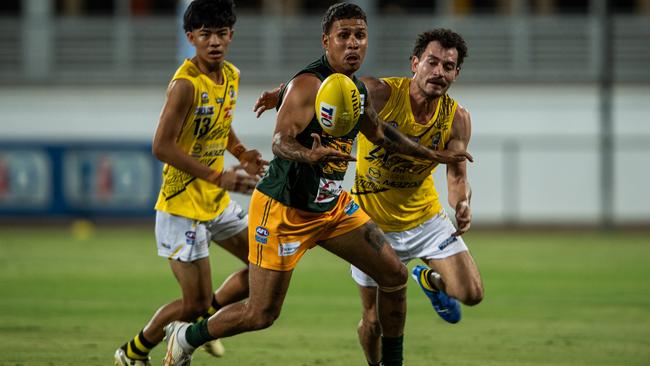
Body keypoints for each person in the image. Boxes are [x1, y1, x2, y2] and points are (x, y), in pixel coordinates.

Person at [162, 3, 472, 366]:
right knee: (261, 314)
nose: (353, 44)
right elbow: (280, 140)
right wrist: (307, 155)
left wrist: (429, 154)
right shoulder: (308, 83)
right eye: (344, 36)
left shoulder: (355, 88)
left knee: (394, 274)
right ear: (327, 41)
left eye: (360, 35)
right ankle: (186, 336)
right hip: (283, 209)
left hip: (330, 207)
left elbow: (381, 133)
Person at [255, 28, 484, 366]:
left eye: (448, 67)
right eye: (432, 62)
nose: (439, 72)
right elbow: (329, 86)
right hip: (372, 224)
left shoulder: (457, 118)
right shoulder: (379, 93)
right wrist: (284, 91)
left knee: (471, 294)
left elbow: (456, 173)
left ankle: (428, 278)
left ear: (456, 73)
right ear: (415, 63)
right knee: (373, 321)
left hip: (426, 220)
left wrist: (462, 204)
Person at [113, 1, 266, 365]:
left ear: (231, 35)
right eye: (205, 34)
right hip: (181, 206)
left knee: (266, 262)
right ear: (191, 37)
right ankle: (132, 352)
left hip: (214, 202)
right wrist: (219, 175)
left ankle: (197, 323)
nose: (214, 41)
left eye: (220, 33)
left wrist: (242, 152)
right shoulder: (184, 85)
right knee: (193, 301)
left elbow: (220, 122)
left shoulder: (230, 74)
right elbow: (161, 146)